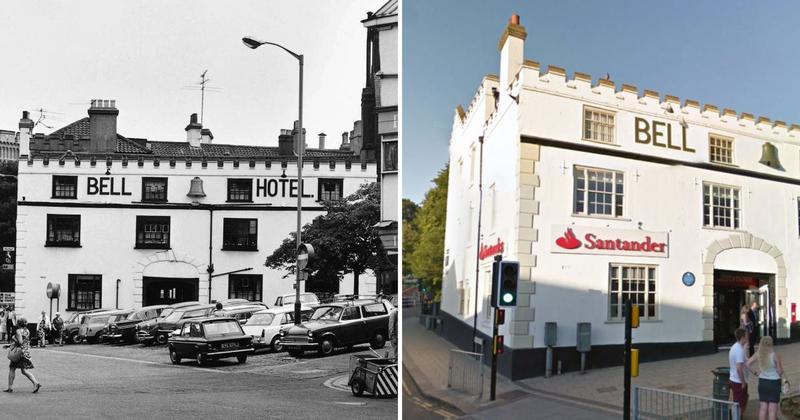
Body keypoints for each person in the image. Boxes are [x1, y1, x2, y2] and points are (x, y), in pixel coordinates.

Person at [747, 336, 783, 420]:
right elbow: (780, 372)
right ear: (771, 344)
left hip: (762, 381)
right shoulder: (775, 355)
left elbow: (747, 364)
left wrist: (756, 373)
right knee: (772, 410)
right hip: (774, 383)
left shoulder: (758, 354)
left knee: (763, 409)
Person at [4, 316, 41, 393]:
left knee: (12, 368)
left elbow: (20, 342)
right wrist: (10, 345)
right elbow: (25, 341)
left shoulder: (18, 331)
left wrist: (13, 339)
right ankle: (35, 383)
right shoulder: (27, 330)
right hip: (25, 351)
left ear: (18, 323)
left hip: (19, 352)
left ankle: (10, 387)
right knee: (24, 370)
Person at [729, 328, 750, 415]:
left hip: (734, 379)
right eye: (746, 336)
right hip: (738, 381)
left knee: (741, 401)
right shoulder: (738, 350)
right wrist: (743, 382)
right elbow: (739, 368)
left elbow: (745, 362)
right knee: (740, 404)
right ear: (742, 337)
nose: (748, 337)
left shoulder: (736, 347)